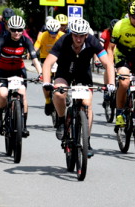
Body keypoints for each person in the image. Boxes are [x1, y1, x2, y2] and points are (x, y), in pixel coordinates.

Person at [42, 18, 114, 157]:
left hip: (83, 75)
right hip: (64, 73)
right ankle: (62, 121)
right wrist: (46, 82)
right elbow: (47, 63)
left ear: (87, 34)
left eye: (82, 35)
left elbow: (108, 64)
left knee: (87, 104)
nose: (78, 38)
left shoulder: (93, 41)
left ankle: (87, 141)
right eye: (75, 35)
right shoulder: (63, 41)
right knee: (58, 94)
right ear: (71, 33)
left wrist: (111, 83)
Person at [0, 15, 41, 138]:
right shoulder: (2, 40)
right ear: (9, 29)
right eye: (14, 29)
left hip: (18, 72)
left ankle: (23, 125)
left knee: (22, 92)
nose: (16, 32)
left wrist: (41, 74)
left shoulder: (26, 41)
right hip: (3, 72)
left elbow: (35, 60)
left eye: (19, 30)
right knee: (3, 94)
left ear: (23, 30)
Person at [34, 18, 64, 114]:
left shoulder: (63, 36)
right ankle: (47, 102)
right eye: (51, 32)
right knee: (45, 78)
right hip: (45, 58)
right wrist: (32, 55)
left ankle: (65, 95)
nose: (53, 34)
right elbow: (35, 48)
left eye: (55, 32)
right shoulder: (43, 36)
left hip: (59, 57)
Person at [98, 18, 118, 98]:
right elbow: (100, 44)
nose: (114, 32)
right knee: (108, 68)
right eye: (113, 30)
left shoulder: (121, 33)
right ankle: (106, 87)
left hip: (117, 55)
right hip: (106, 54)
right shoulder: (105, 33)